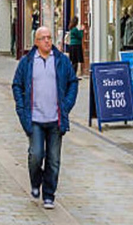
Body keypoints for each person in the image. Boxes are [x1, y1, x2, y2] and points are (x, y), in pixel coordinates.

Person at [12, 26, 79, 210]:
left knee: (53, 160)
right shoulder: (27, 62)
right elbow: (17, 85)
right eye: (43, 38)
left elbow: (73, 82)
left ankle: (49, 194)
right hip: (34, 118)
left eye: (50, 37)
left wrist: (65, 106)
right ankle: (35, 182)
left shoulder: (61, 61)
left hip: (56, 119)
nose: (48, 41)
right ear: (36, 42)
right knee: (36, 155)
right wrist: (21, 107)